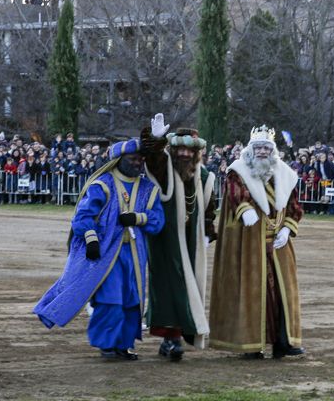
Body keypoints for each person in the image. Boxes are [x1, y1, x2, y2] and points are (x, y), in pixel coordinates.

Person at [32, 138, 164, 361]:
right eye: (133, 159)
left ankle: (124, 345)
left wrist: (138, 218)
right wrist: (92, 240)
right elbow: (83, 217)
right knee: (110, 299)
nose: (138, 163)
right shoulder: (102, 184)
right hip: (107, 254)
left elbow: (158, 221)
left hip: (134, 254)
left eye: (141, 160)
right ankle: (107, 345)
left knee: (133, 300)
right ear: (119, 160)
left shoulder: (149, 189)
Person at [209, 125, 305, 359]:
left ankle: (283, 342)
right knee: (253, 293)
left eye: (266, 148)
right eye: (258, 147)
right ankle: (250, 344)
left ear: (273, 150)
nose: (262, 151)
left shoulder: (285, 173)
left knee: (282, 295)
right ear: (251, 149)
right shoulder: (238, 171)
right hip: (250, 244)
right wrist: (243, 209)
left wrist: (288, 229)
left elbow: (294, 206)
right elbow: (235, 193)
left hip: (279, 245)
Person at [140, 114, 217, 361]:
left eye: (188, 151)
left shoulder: (204, 177)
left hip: (193, 245)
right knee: (170, 288)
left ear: (196, 153)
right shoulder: (165, 170)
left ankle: (180, 336)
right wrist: (155, 139)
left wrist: (208, 230)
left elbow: (209, 207)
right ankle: (170, 339)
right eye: (179, 149)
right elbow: (152, 158)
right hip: (166, 243)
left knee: (189, 288)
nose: (184, 154)